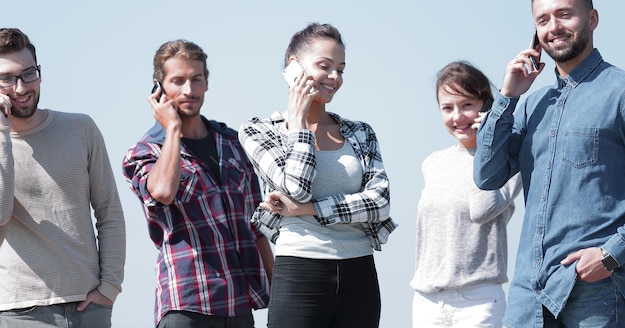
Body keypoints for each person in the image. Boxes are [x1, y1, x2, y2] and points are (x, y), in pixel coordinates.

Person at [474, 0, 625, 327]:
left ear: (592, 19)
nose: (553, 27)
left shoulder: (620, 92)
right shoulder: (530, 105)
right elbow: (486, 176)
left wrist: (612, 252)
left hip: (596, 292)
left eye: (564, 15)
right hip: (529, 297)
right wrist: (508, 97)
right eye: (542, 20)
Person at [238, 23, 397, 328]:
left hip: (359, 272)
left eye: (341, 69)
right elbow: (297, 188)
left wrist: (309, 210)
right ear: (293, 68)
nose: (335, 78)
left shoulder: (361, 132)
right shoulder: (259, 130)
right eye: (324, 66)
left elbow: (379, 203)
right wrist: (298, 124)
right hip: (300, 272)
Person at [122, 39, 272, 328]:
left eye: (196, 79)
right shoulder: (144, 153)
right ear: (159, 87)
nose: (189, 90)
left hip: (240, 302)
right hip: (188, 304)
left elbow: (258, 225)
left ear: (206, 83)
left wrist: (278, 290)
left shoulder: (232, 143)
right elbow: (163, 192)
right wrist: (173, 129)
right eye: (178, 81)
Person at [0, 28, 126, 327]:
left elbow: (109, 211)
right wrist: (2, 134)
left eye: (29, 74)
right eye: (6, 78)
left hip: (89, 308)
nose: (20, 88)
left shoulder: (81, 128)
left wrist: (110, 288)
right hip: (20, 310)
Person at [410, 61, 522, 327]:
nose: (457, 117)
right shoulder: (432, 163)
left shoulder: (508, 163)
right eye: (447, 108)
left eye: (467, 105)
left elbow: (481, 208)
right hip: (427, 300)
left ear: (485, 105)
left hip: (478, 301)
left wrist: (488, 143)